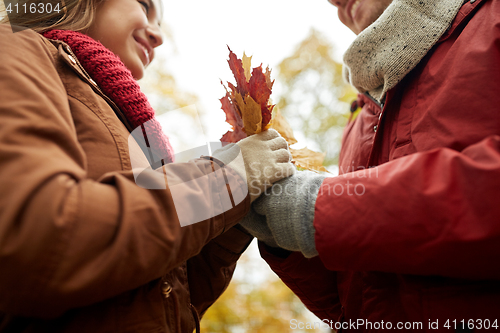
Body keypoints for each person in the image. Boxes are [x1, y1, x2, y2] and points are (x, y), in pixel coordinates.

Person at [0, 0, 295, 332]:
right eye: (144, 5)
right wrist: (228, 182)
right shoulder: (16, 47)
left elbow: (163, 296)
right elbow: (39, 244)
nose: (158, 35)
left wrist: (238, 222)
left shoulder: (137, 128)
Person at [241, 0, 500, 329]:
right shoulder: (362, 117)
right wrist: (281, 235)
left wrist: (317, 207)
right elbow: (355, 305)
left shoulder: (493, 22)